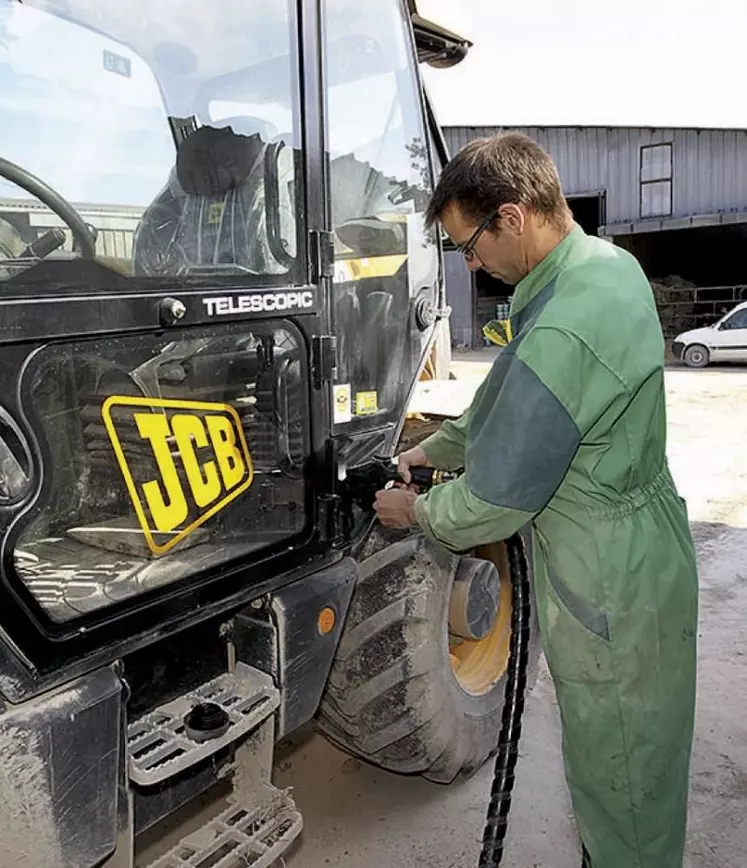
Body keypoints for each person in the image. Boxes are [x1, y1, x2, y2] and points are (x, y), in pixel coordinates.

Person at [373, 132, 698, 868]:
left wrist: (418, 511)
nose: (469, 262)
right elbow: (505, 397)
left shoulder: (566, 324)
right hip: (631, 544)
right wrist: (432, 450)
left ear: (512, 217)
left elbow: (495, 500)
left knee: (623, 770)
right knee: (630, 756)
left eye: (469, 243)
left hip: (610, 568)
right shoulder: (587, 272)